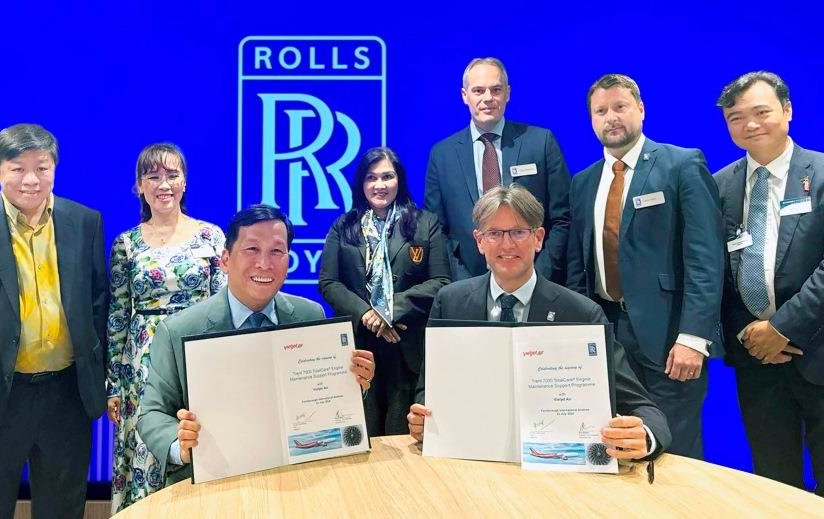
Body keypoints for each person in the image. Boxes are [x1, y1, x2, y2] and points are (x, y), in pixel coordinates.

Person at [409, 185, 670, 461]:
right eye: (494, 233)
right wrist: (423, 419)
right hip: (470, 461)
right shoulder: (450, 303)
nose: (507, 244)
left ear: (538, 238)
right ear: (479, 241)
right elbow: (429, 391)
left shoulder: (581, 314)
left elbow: (643, 407)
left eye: (518, 232)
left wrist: (645, 436)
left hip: (556, 466)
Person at [139, 205, 376, 487]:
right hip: (212, 483)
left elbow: (323, 403)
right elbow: (151, 413)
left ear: (288, 261)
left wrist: (352, 384)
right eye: (252, 249)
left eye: (276, 251)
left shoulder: (311, 315)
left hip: (297, 477)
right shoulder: (178, 330)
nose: (264, 263)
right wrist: (180, 445)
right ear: (225, 260)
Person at [0, 124, 108, 518]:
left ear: (55, 169)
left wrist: (97, 380)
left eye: (42, 168)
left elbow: (98, 304)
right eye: (18, 169)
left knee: (63, 510)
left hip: (66, 396)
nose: (31, 180)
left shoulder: (85, 222)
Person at [565, 74, 723, 459]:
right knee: (618, 448)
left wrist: (693, 337)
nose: (611, 117)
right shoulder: (583, 182)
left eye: (619, 107)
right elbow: (577, 266)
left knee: (677, 453)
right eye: (600, 111)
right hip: (606, 336)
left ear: (641, 109)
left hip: (669, 339)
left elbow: (706, 259)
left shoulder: (682, 164)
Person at [714, 71, 824, 495]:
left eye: (761, 112)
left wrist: (782, 328)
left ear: (788, 110)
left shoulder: (820, 172)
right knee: (775, 488)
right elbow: (714, 272)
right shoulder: (718, 186)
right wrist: (750, 333)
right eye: (736, 118)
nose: (750, 124)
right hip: (757, 361)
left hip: (818, 350)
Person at [107, 143, 226, 509]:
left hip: (198, 357)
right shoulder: (126, 243)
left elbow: (224, 306)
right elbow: (118, 316)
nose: (164, 184)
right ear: (139, 186)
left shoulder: (211, 236)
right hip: (141, 364)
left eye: (172, 175)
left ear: (184, 182)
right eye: (153, 176)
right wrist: (113, 386)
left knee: (201, 444)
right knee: (146, 448)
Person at [319, 146, 450, 436]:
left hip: (406, 345)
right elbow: (328, 283)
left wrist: (389, 309)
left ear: (399, 180)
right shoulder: (344, 226)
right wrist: (368, 313)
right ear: (361, 183)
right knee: (360, 434)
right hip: (359, 345)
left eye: (387, 176)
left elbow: (441, 281)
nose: (379, 185)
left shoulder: (425, 223)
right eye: (371, 177)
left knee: (402, 438)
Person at [425, 57, 571, 284]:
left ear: (507, 93)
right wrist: (465, 285)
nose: (488, 98)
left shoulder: (541, 143)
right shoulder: (442, 154)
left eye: (496, 90)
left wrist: (536, 276)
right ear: (464, 95)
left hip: (536, 282)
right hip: (467, 286)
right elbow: (438, 231)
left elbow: (563, 218)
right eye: (478, 90)